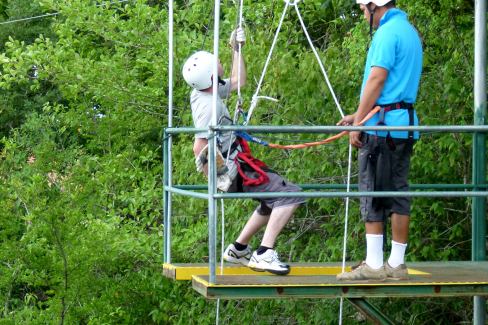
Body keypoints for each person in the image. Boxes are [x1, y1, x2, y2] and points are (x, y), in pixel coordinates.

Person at [182, 27, 305, 276]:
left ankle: (239, 249)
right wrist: (219, 177)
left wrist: (236, 50)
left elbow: (239, 82)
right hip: (234, 168)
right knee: (291, 194)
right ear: (210, 75)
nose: (219, 63)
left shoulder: (203, 91)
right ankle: (264, 253)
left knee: (270, 200)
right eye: (216, 63)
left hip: (237, 162)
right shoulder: (211, 107)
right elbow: (199, 146)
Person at [336, 0, 423, 281]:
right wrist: (359, 114)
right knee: (398, 192)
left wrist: (359, 123)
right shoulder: (409, 31)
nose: (363, 15)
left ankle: (374, 265)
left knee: (372, 191)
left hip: (382, 131)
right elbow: (395, 87)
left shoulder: (386, 34)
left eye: (363, 9)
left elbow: (377, 79)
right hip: (402, 125)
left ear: (375, 6)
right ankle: (396, 264)